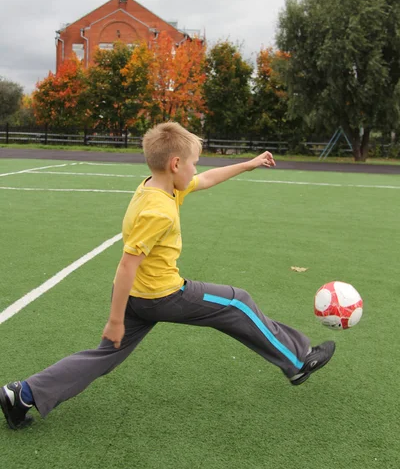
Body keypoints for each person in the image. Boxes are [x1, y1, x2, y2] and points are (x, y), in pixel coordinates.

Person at [0, 122, 335, 430]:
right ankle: (297, 361)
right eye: (193, 162)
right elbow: (126, 265)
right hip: (162, 296)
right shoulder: (157, 210)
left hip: (139, 299)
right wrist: (115, 320)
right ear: (175, 164)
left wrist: (250, 163)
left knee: (104, 357)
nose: (196, 170)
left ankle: (23, 394)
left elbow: (206, 179)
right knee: (238, 301)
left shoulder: (157, 187)